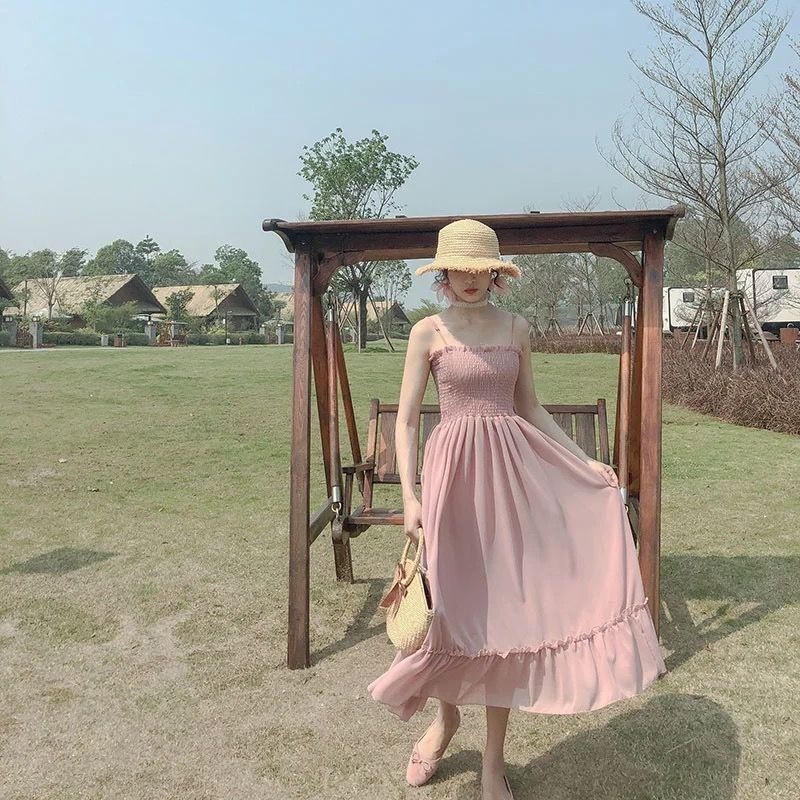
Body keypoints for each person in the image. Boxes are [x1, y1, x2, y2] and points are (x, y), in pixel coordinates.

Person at [367, 219, 666, 800]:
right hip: (451, 483)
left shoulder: (517, 328)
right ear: (443, 273)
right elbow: (405, 422)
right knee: (450, 612)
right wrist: (410, 496)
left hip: (509, 484)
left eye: (480, 269)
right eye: (459, 269)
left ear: (495, 273)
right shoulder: (427, 332)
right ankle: (446, 720)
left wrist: (585, 462)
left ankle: (494, 762)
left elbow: (530, 408)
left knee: (503, 618)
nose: (470, 278)